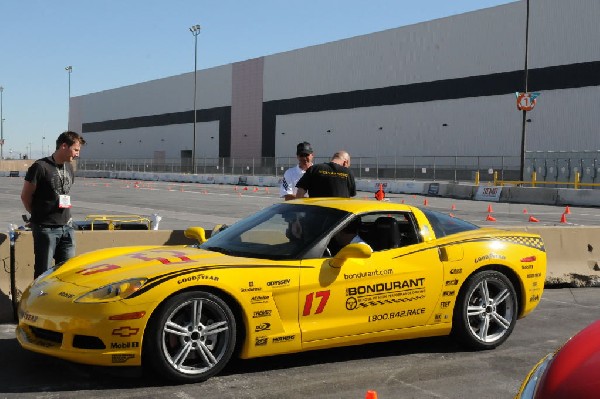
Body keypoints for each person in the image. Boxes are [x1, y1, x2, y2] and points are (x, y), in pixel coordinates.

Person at [21, 131, 86, 278]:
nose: (77, 154)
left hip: (67, 227)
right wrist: (37, 217)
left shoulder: (69, 167)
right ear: (64, 146)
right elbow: (25, 196)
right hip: (46, 229)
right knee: (43, 274)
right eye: (75, 150)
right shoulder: (40, 167)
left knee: (67, 272)